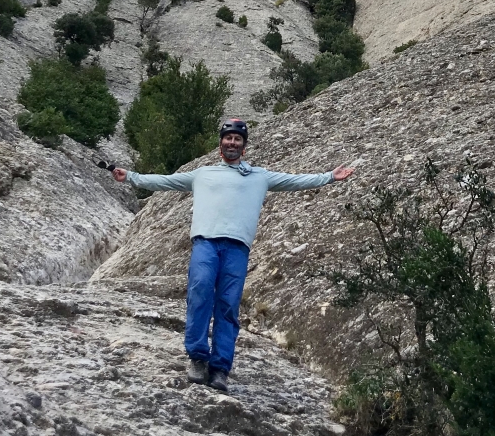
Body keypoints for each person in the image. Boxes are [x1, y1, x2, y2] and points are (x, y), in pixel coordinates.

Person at [113, 120, 354, 393]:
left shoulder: (259, 176)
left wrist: (329, 176)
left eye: (237, 139)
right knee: (200, 291)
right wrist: (131, 176)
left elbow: (294, 181)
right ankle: (198, 358)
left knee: (228, 305)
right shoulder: (202, 174)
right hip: (205, 243)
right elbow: (165, 181)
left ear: (244, 146)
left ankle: (220, 368)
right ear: (220, 144)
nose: (232, 143)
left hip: (237, 248)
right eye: (228, 138)